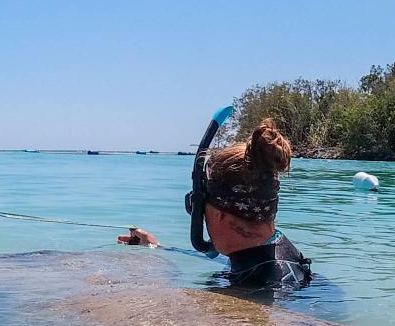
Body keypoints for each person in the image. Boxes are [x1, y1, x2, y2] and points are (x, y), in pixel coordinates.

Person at [117, 118, 313, 292]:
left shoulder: (257, 286)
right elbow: (228, 262)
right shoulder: (272, 256)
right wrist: (155, 246)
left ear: (219, 213)